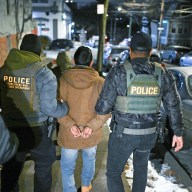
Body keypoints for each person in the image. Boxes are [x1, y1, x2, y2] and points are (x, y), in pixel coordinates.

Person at [95, 31, 184, 192]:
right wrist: (178, 132)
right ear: (150, 52)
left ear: (130, 50)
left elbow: (102, 108)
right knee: (141, 168)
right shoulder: (162, 73)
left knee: (114, 173)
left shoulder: (118, 72)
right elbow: (174, 105)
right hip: (149, 134)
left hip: (123, 135)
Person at [0, 34, 68, 192]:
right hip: (38, 131)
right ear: (39, 51)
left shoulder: (4, 70)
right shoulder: (44, 74)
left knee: (10, 173)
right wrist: (65, 108)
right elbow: (49, 108)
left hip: (11, 130)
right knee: (43, 171)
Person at [57, 46, 110, 192]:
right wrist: (91, 126)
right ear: (91, 62)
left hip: (69, 133)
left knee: (67, 166)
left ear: (74, 61)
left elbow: (55, 107)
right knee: (89, 160)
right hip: (90, 133)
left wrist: (70, 124)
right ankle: (86, 187)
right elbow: (107, 109)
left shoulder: (62, 80)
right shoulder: (101, 82)